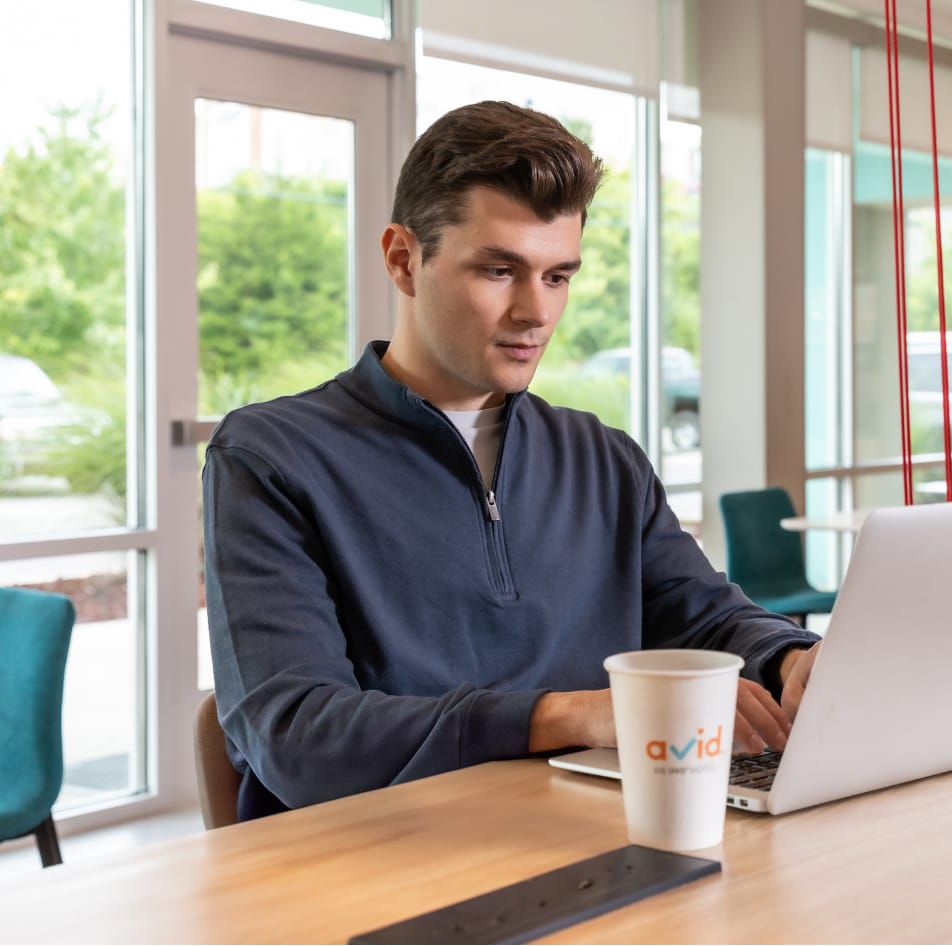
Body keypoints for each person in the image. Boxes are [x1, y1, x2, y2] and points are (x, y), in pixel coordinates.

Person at [204, 100, 822, 821]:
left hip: (588, 839)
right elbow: (296, 736)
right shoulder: (270, 458)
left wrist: (790, 659)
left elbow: (704, 618)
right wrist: (575, 716)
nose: (536, 312)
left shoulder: (602, 457)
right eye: (500, 270)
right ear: (403, 259)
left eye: (558, 277)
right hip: (373, 862)